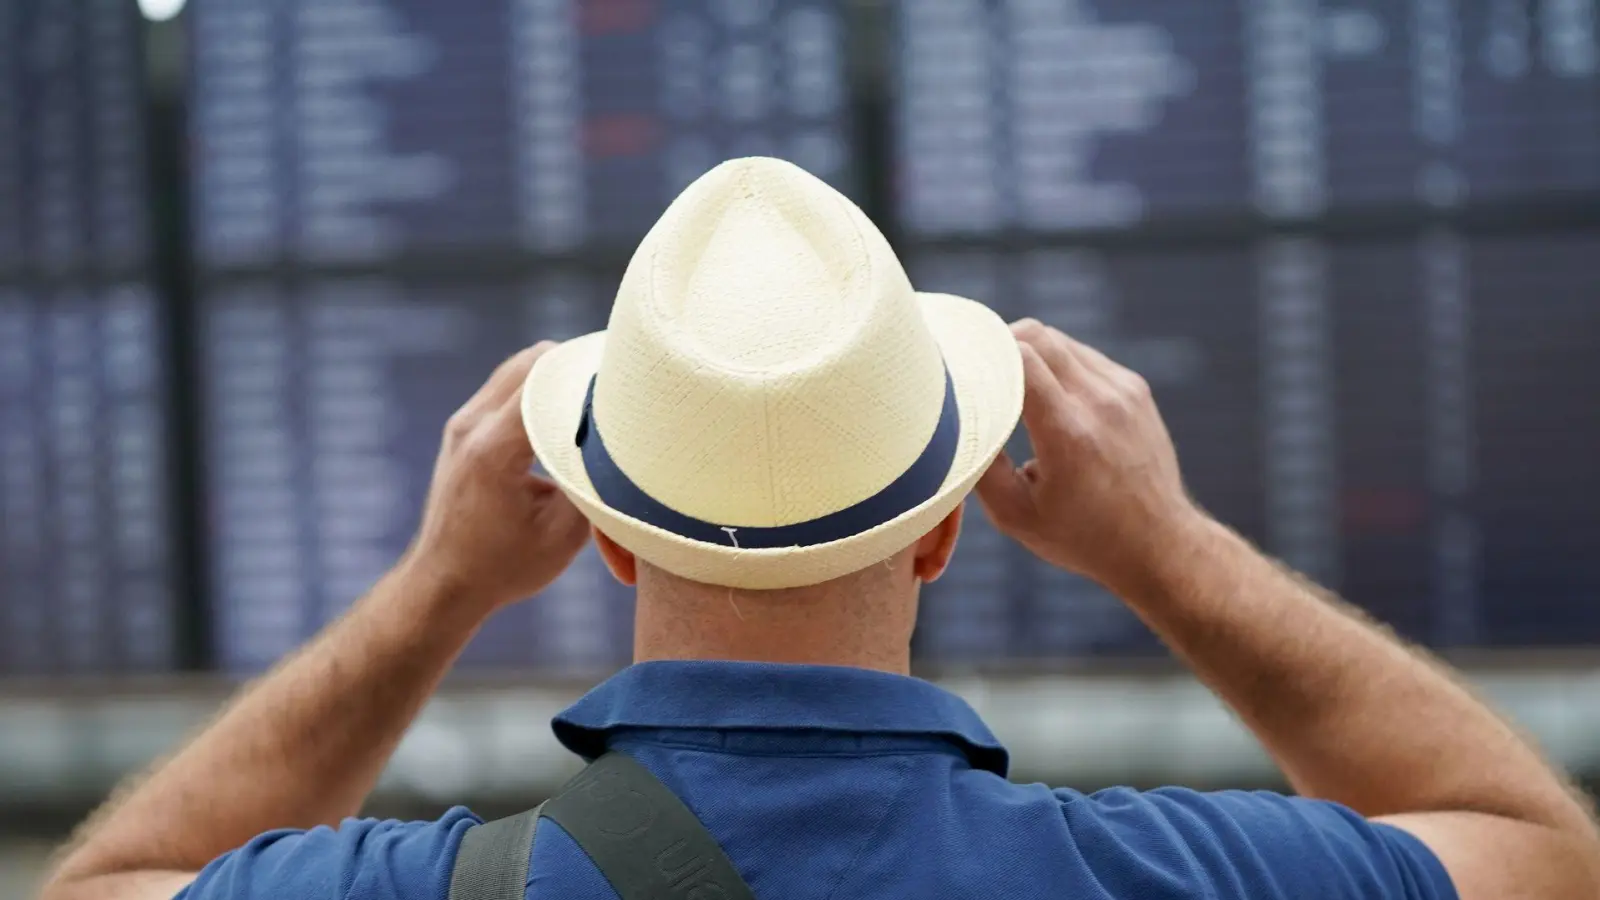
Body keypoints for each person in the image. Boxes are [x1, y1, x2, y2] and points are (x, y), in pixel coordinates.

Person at [40, 158, 1598, 900]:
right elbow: (1538, 852)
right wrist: (1164, 548)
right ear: (939, 535)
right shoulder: (1161, 878)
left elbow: (109, 884)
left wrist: (436, 591)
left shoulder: (417, 895)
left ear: (607, 539)